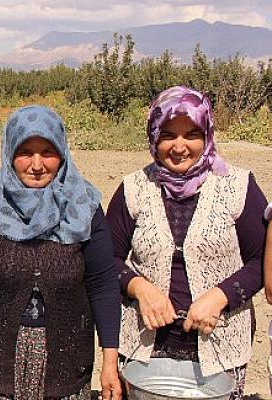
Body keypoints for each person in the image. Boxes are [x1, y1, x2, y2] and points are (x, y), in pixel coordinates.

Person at [0, 105, 122, 400]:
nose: (37, 164)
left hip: (67, 365)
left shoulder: (84, 207)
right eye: (25, 152)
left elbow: (103, 286)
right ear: (9, 152)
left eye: (47, 151)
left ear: (62, 152)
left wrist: (110, 360)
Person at [106, 86, 267, 399]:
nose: (179, 147)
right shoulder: (134, 188)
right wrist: (140, 288)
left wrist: (221, 296)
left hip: (219, 351)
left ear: (206, 135)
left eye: (191, 134)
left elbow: (262, 261)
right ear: (154, 136)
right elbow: (105, 259)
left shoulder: (238, 186)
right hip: (143, 350)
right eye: (168, 135)